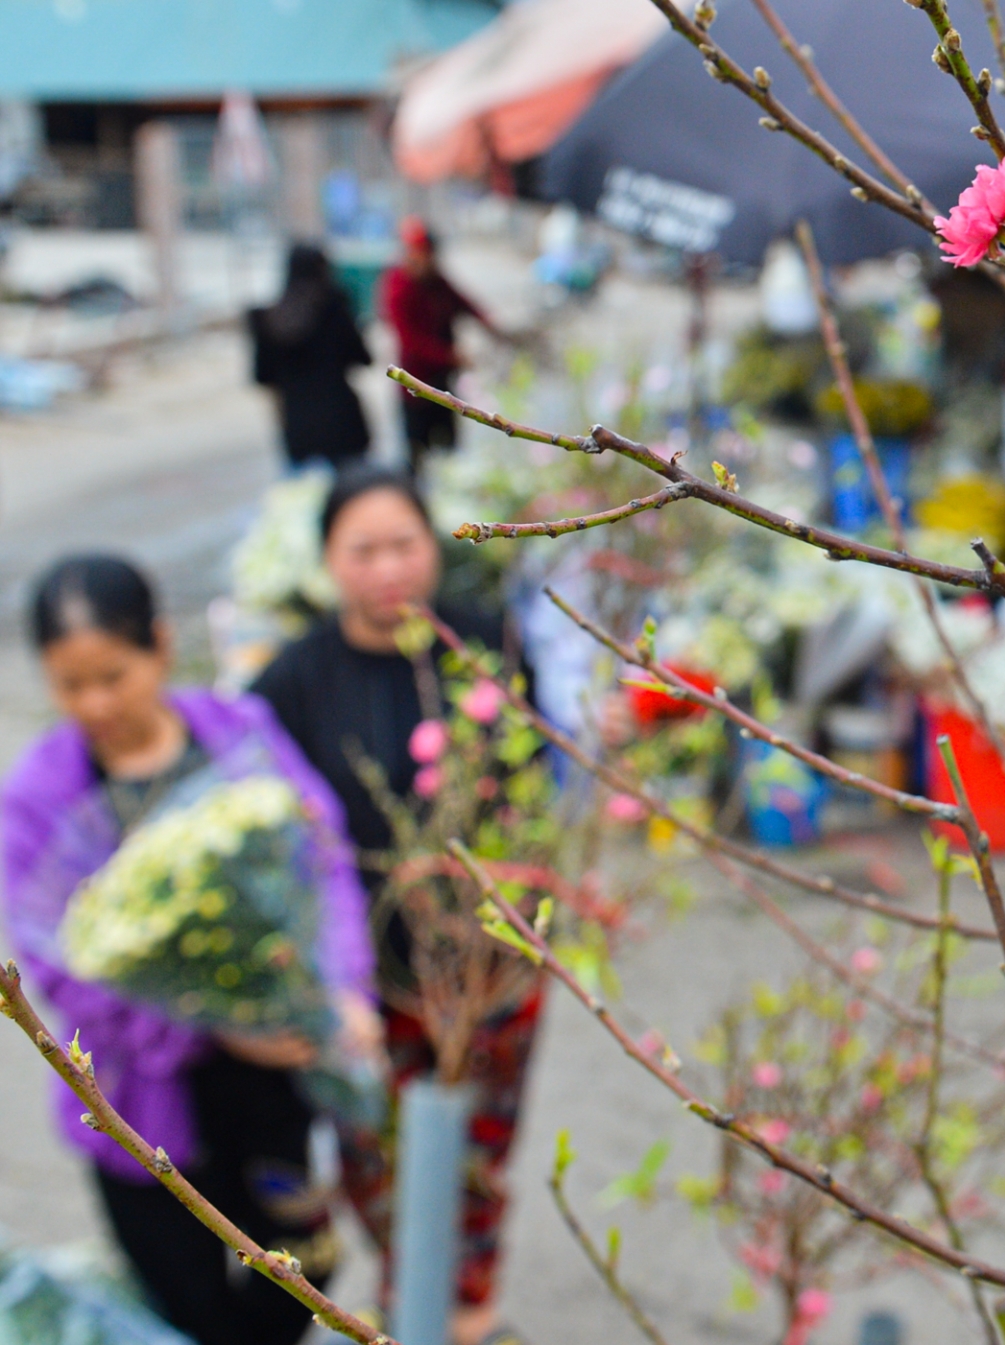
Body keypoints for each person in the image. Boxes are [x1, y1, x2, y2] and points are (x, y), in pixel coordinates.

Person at [1, 556, 378, 1345]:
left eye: (114, 674)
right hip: (141, 1104)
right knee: (191, 1304)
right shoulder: (37, 795)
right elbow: (61, 971)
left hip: (276, 1077)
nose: (96, 702)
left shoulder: (234, 733)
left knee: (305, 1271)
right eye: (71, 685)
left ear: (162, 646)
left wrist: (343, 986)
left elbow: (323, 857)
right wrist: (211, 1024)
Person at [252, 465, 535, 1345]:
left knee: (479, 1161)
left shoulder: (485, 644)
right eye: (363, 549)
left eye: (404, 544)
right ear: (327, 561)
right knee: (379, 1163)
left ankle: (466, 1317)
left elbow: (531, 791)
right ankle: (416, 1305)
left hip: (487, 972)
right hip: (363, 989)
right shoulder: (290, 684)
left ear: (433, 545)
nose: (389, 569)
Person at [381, 216, 499, 477]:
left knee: (449, 450)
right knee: (416, 454)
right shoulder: (398, 286)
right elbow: (409, 340)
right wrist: (451, 356)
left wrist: (489, 324)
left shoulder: (435, 281)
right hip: (416, 385)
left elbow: (461, 301)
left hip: (444, 381)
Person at [249, 242, 373, 471]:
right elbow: (362, 357)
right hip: (342, 424)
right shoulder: (334, 306)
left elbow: (262, 376)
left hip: (297, 428)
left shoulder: (267, 318)